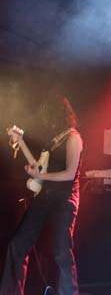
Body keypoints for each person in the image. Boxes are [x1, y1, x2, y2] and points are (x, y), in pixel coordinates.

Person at [1, 95, 83, 295]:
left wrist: (41, 174)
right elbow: (38, 168)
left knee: (61, 251)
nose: (46, 121)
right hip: (46, 196)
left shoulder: (74, 137)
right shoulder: (55, 141)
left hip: (65, 199)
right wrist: (20, 142)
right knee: (18, 244)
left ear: (57, 115)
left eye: (48, 116)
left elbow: (70, 173)